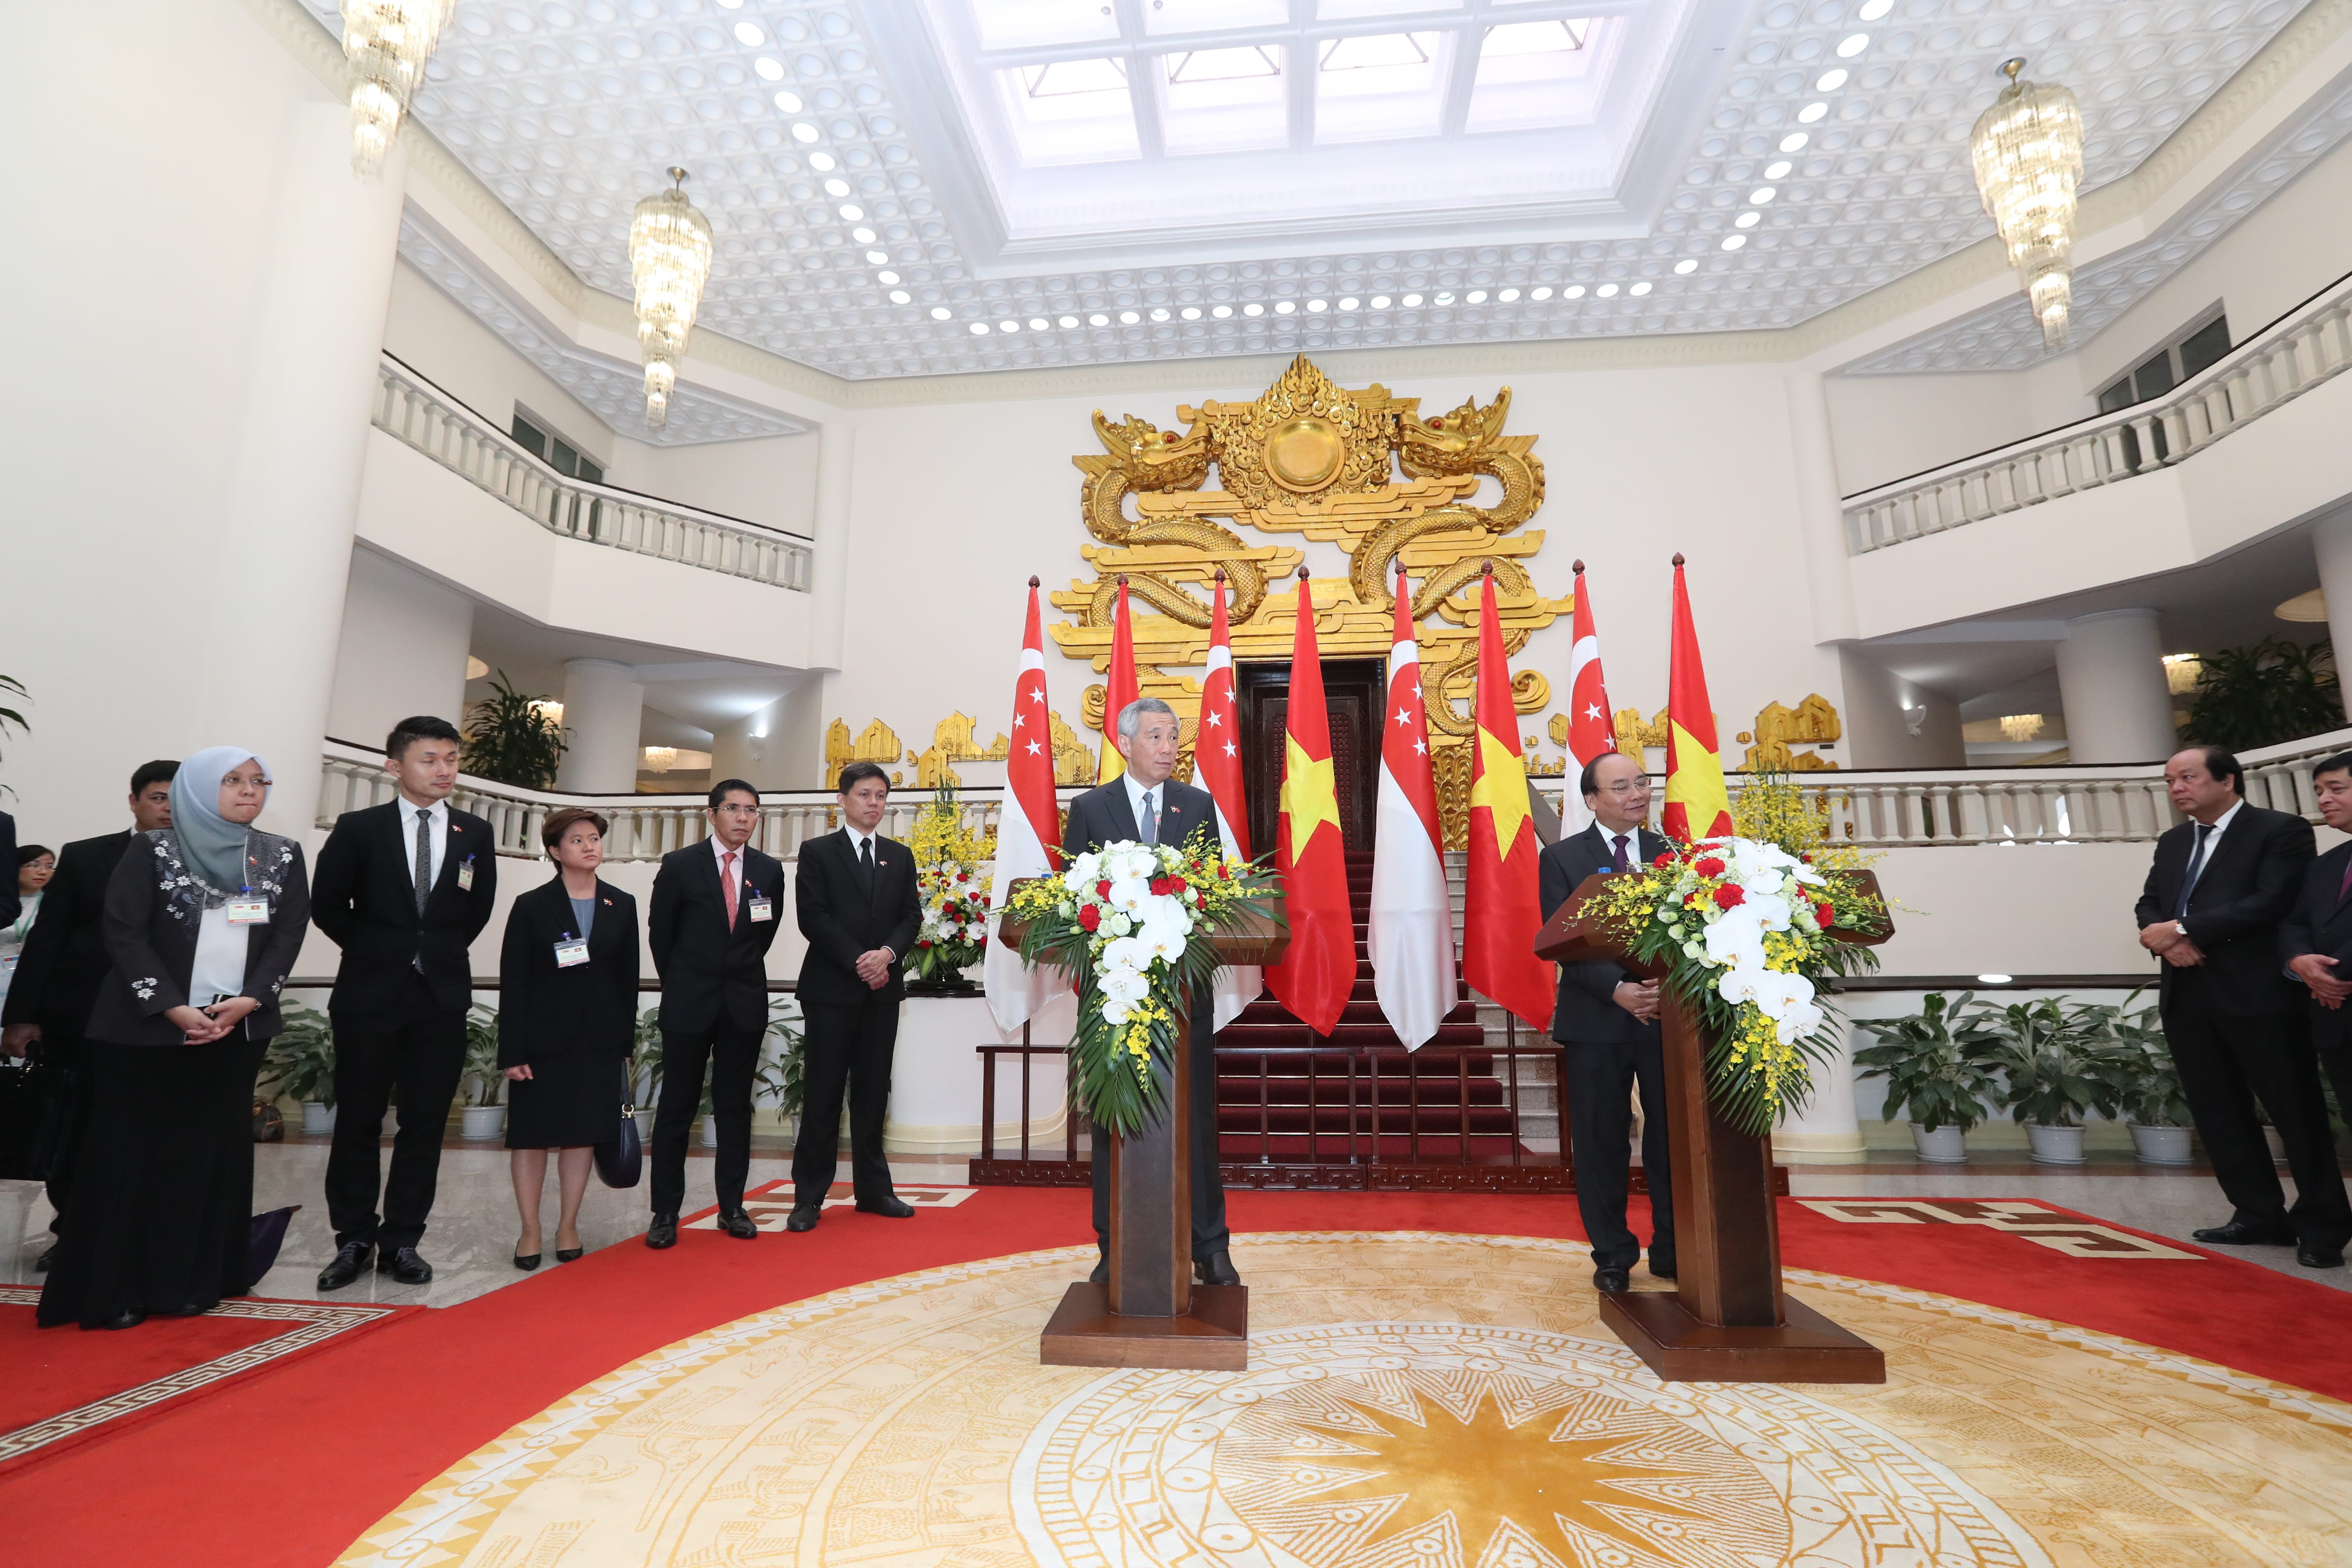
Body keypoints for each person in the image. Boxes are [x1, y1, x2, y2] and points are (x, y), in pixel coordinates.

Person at [37, 748, 309, 1329]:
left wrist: (252, 999)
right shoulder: (152, 850)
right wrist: (173, 1008)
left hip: (238, 1031)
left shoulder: (280, 855)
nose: (249, 791)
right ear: (198, 788)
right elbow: (125, 934)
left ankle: (192, 1282)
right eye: (233, 781)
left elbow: (287, 935)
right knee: (135, 1156)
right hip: (145, 1031)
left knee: (206, 1156)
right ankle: (119, 1290)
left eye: (259, 781)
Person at [2135, 744, 2348, 1269]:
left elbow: (2272, 902)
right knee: (2219, 1111)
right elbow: (2150, 903)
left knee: (2294, 1111)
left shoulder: (2280, 831)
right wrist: (2166, 938)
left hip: (2259, 997)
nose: (2177, 788)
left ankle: (2322, 1224)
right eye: (2169, 781)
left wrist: (2185, 929)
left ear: (2227, 780)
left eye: (2187, 777)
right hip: (2188, 993)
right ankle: (2257, 1214)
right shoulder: (2173, 841)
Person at [310, 716, 499, 1289]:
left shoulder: (474, 832)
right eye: (429, 759)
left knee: (425, 1124)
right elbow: (327, 905)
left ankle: (403, 1241)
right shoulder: (358, 827)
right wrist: (380, 953)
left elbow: (478, 907)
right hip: (369, 995)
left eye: (451, 758)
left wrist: (434, 954)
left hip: (439, 998)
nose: (444, 770)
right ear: (395, 766)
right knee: (359, 1122)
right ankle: (353, 1240)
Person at [1062, 697, 1238, 1289]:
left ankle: (1210, 1247)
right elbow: (1076, 900)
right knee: (1115, 1116)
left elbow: (1212, 892)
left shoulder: (1198, 805)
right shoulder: (1090, 808)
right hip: (1115, 995)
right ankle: (1114, 1247)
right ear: (1127, 742)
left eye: (1174, 736)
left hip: (1183, 994)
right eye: (1157, 736)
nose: (1168, 747)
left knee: (1196, 1117)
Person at [3, 763, 177, 1269]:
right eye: (158, 797)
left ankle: (147, 1230)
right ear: (133, 801)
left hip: (168, 1022)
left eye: (177, 799)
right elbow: (47, 939)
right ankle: (73, 1230)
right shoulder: (86, 856)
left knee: (149, 1130)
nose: (167, 809)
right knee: (76, 1126)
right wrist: (22, 1016)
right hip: (82, 1017)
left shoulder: (206, 860)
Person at [1537, 750, 1677, 1292]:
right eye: (1621, 787)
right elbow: (1561, 940)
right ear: (1592, 799)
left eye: (1641, 783)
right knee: (1601, 1142)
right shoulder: (1565, 858)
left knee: (1672, 1139)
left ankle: (1672, 1248)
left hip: (1669, 1017)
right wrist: (1617, 990)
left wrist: (1667, 986)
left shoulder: (1678, 855)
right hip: (1597, 1018)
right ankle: (1613, 1254)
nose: (1637, 794)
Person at [644, 779, 787, 1249]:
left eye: (751, 810)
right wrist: (685, 981)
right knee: (676, 1109)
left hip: (742, 1005)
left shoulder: (768, 870)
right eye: (733, 809)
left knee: (734, 1110)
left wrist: (732, 974)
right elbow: (660, 934)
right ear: (712, 814)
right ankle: (665, 1213)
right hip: (689, 1002)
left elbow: (761, 936)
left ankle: (732, 1208)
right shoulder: (681, 865)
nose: (743, 818)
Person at [497, 807, 639, 1269]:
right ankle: (530, 1229)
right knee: (532, 1137)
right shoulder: (532, 905)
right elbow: (514, 982)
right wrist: (512, 1050)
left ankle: (567, 1225)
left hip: (598, 1042)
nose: (590, 845)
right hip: (542, 1042)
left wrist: (624, 1045)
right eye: (577, 840)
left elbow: (628, 980)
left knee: (582, 1136)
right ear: (556, 852)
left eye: (595, 838)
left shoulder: (622, 904)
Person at [787, 762, 920, 1231]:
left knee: (872, 1093)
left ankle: (874, 1191)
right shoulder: (818, 851)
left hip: (882, 992)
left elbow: (911, 917)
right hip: (831, 991)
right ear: (842, 800)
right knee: (823, 1093)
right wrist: (860, 961)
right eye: (865, 795)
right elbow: (814, 917)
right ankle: (809, 1197)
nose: (874, 804)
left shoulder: (899, 856)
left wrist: (885, 955)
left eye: (881, 796)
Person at [2274, 748, 2352, 1242]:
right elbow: (2295, 922)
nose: (2324, 800)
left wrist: (2335, 973)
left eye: (2336, 789)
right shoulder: (2328, 864)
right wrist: (2301, 964)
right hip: (2336, 1017)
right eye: (2319, 791)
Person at [3, 845, 55, 1011]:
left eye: (49, 866)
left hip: (35, 980)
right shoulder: (4, 904)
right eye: (34, 865)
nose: (43, 872)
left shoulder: (54, 904)